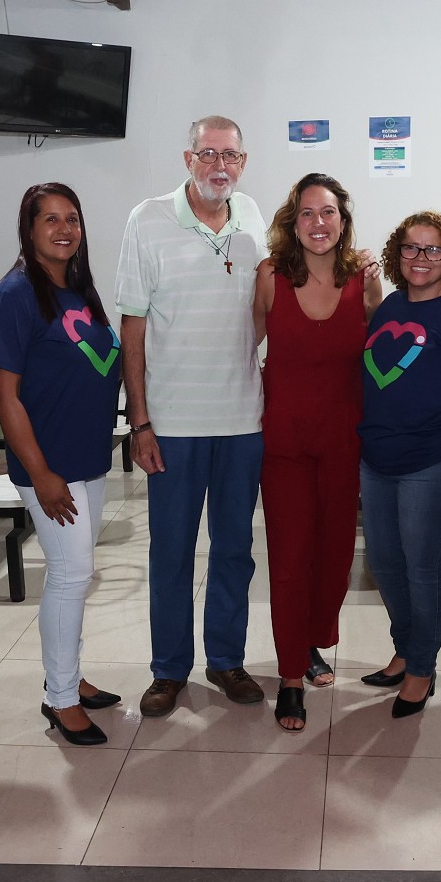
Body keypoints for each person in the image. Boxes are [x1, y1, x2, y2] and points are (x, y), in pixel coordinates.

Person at [115, 115, 267, 718]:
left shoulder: (253, 218)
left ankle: (226, 659)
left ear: (243, 162)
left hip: (242, 420)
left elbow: (261, 308)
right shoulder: (148, 219)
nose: (219, 166)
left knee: (234, 550)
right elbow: (132, 325)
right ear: (188, 159)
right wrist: (140, 422)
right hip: (173, 425)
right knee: (172, 552)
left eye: (230, 156)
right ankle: (168, 669)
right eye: (208, 154)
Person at [0, 183, 124, 747]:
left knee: (77, 574)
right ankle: (61, 698)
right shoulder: (14, 294)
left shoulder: (78, 290)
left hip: (88, 459)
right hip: (51, 467)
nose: (64, 229)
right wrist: (41, 474)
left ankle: (69, 676)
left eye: (73, 219)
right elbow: (5, 395)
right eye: (50, 219)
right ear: (29, 228)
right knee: (69, 575)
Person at [253, 173, 383, 732]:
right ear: (293, 222)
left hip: (343, 443)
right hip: (283, 443)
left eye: (328, 212)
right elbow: (243, 351)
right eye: (307, 213)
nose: (318, 223)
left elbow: (381, 360)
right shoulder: (270, 276)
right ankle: (289, 676)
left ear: (343, 221)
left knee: (333, 559)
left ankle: (311, 640)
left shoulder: (366, 282)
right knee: (289, 559)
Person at [359, 211, 441, 719]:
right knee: (385, 564)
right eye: (411, 248)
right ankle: (405, 647)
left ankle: (421, 668)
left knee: (423, 568)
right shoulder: (390, 306)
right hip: (378, 460)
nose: (420, 258)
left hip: (433, 460)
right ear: (398, 254)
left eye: (432, 249)